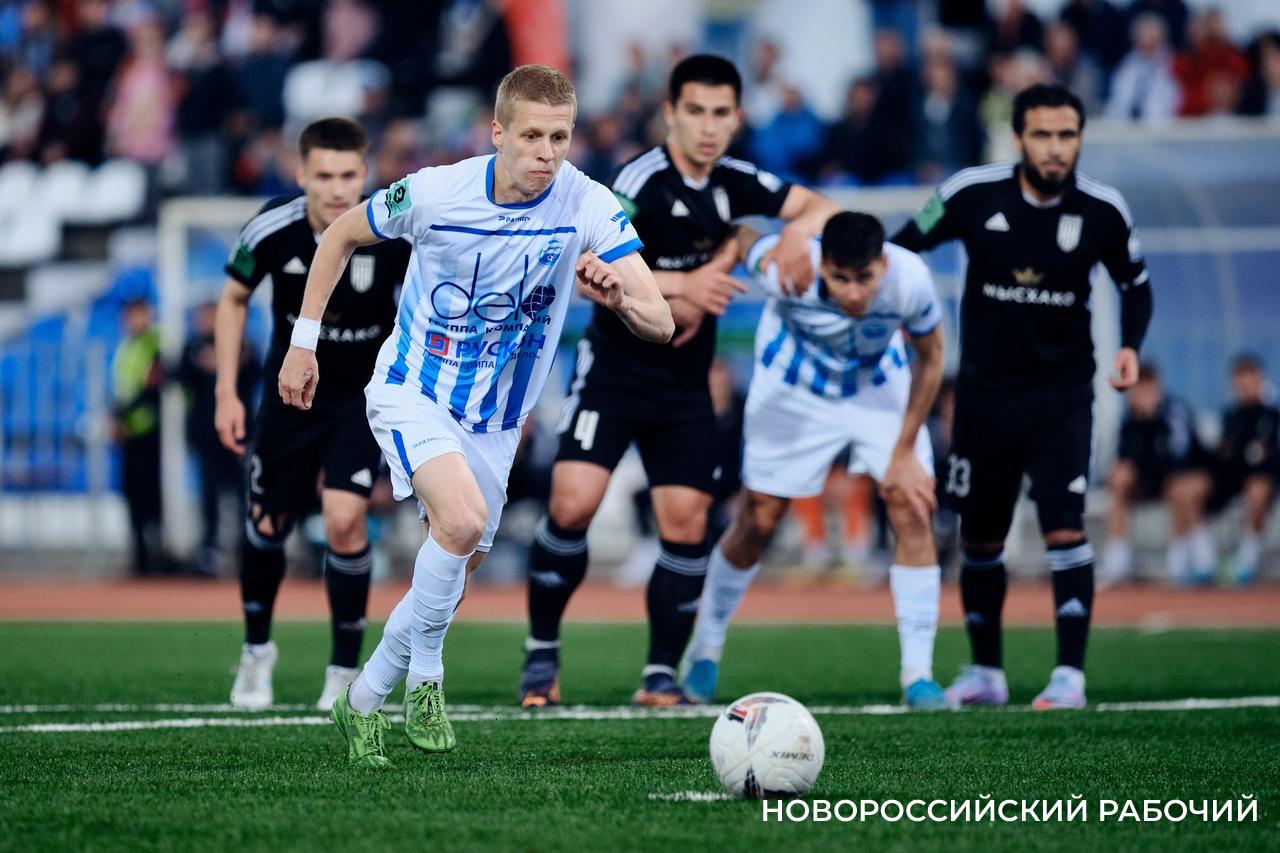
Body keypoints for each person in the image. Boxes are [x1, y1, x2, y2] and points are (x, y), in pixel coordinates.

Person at [277, 64, 673, 767]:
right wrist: (302, 344)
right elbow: (338, 234)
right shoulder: (435, 192)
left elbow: (661, 319)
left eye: (560, 136)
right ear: (498, 133)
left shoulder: (586, 203)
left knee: (453, 572)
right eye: (531, 136)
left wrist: (616, 299)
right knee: (457, 524)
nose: (547, 152)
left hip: (496, 424)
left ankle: (363, 698)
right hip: (412, 390)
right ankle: (427, 681)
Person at [518, 54, 838, 708]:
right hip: (615, 372)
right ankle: (541, 653)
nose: (708, 125)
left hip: (686, 384)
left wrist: (790, 239)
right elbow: (584, 267)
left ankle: (660, 673)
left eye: (721, 112)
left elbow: (821, 208)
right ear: (670, 113)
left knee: (687, 521)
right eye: (695, 110)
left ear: (738, 116)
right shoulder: (639, 181)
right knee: (572, 502)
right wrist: (685, 283)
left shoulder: (737, 180)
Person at [892, 83, 1154, 710]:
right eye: (1043, 134)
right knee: (980, 539)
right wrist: (903, 315)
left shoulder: (1104, 210)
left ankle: (1069, 676)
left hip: (1062, 395)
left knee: (1065, 528)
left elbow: (1135, 286)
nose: (1056, 148)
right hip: (982, 397)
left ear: (1080, 139)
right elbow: (901, 248)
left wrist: (1131, 347)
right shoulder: (969, 193)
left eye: (1067, 135)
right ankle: (987, 672)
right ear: (1018, 138)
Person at [683, 212, 947, 709]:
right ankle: (705, 651)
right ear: (821, 264)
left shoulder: (909, 278)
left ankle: (918, 674)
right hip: (791, 390)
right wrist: (783, 240)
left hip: (875, 389)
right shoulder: (788, 266)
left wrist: (906, 449)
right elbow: (740, 236)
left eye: (864, 278)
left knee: (912, 505)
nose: (853, 293)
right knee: (758, 520)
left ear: (883, 264)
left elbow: (932, 358)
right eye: (840, 278)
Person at [214, 117, 413, 712]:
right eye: (323, 175)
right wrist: (227, 391)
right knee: (268, 523)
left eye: (348, 175)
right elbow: (232, 298)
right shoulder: (272, 226)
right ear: (299, 174)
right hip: (288, 399)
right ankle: (256, 653)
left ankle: (343, 670)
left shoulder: (393, 233)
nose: (336, 189)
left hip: (358, 400)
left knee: (345, 520)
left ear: (365, 174)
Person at [1101, 364, 1213, 586]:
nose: (1141, 395)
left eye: (1146, 388)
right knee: (1119, 480)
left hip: (1188, 475)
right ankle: (1117, 561)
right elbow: (1126, 457)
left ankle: (1193, 560)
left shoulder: (1174, 412)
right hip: (1153, 479)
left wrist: (1153, 422)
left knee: (1179, 488)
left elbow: (1179, 458)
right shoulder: (1131, 418)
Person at [176, 302, 259, 576]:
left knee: (240, 495)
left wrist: (229, 361)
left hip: (238, 436)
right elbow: (177, 375)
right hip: (206, 438)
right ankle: (209, 550)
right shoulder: (192, 349)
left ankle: (242, 549)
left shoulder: (245, 346)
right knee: (208, 496)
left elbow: (258, 372)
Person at [1211, 354, 1279, 584]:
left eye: (1249, 379)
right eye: (1240, 381)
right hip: (1232, 481)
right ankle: (1199, 561)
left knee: (1257, 488)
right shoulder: (1231, 415)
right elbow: (1225, 456)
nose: (1245, 386)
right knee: (1189, 486)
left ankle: (1246, 560)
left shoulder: (1272, 415)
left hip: (1265, 481)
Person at [113, 297, 164, 576]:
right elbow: (123, 389)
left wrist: (121, 416)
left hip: (150, 432)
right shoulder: (126, 347)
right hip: (130, 434)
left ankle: (153, 559)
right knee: (133, 496)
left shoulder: (154, 343)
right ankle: (139, 556)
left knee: (150, 496)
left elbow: (150, 386)